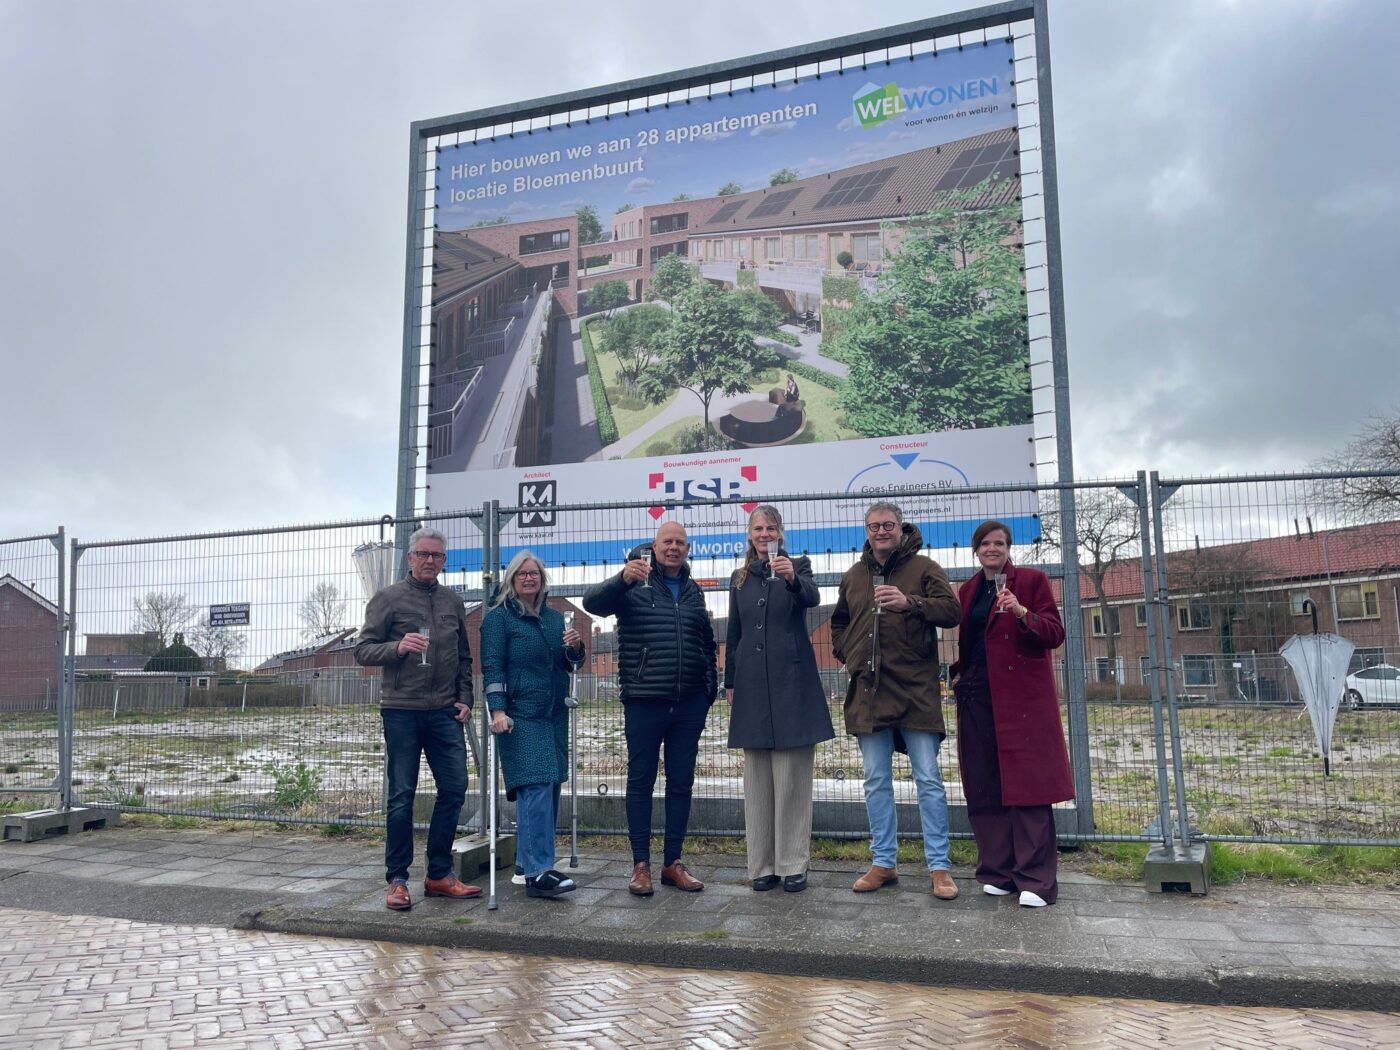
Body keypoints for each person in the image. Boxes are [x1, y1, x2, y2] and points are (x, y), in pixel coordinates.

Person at [830, 502, 961, 900]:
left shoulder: (925, 568)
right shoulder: (853, 576)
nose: (881, 531)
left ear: (900, 528)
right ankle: (884, 862)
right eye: (874, 526)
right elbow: (838, 622)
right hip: (869, 691)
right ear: (866, 530)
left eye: (888, 525)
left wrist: (911, 604)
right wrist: (848, 653)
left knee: (928, 779)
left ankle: (939, 867)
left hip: (916, 690)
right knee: (875, 781)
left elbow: (951, 611)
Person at [583, 521, 718, 896]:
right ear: (654, 547)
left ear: (688, 549)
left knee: (681, 783)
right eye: (667, 542)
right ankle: (640, 865)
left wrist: (709, 689)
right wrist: (621, 578)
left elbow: (707, 642)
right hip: (644, 700)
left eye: (680, 542)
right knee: (640, 782)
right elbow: (591, 604)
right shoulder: (633, 585)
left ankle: (672, 863)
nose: (673, 548)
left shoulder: (693, 591)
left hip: (689, 703)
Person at [354, 526, 480, 911]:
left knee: (455, 789)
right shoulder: (387, 599)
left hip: (445, 712)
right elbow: (362, 650)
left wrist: (465, 698)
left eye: (436, 556)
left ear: (444, 561)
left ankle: (440, 874)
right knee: (401, 795)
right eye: (423, 554)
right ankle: (397, 879)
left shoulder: (452, 602)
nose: (429, 561)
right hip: (401, 710)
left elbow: (463, 658)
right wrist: (397, 646)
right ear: (409, 558)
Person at [949, 520, 1073, 908]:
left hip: (1022, 702)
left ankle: (1036, 880)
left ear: (1008, 548)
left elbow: (1054, 633)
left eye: (999, 543)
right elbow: (967, 643)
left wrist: (1021, 612)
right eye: (985, 543)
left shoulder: (1032, 582)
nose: (992, 549)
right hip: (978, 698)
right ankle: (998, 871)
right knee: (984, 783)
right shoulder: (968, 589)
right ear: (976, 550)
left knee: (1028, 787)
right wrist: (959, 677)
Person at [724, 506, 834, 893]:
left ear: (781, 533)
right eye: (758, 528)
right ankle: (763, 866)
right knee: (756, 782)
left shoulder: (798, 566)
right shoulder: (739, 578)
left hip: (792, 686)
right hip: (751, 688)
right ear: (749, 534)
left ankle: (793, 863)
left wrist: (790, 579)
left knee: (791, 780)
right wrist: (730, 681)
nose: (764, 533)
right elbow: (734, 634)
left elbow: (812, 599)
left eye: (771, 528)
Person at [480, 551, 586, 899]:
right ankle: (540, 872)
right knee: (536, 784)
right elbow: (493, 667)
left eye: (535, 574)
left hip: (553, 714)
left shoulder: (554, 620)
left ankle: (528, 862)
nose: (529, 579)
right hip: (518, 716)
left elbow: (566, 664)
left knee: (550, 785)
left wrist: (576, 649)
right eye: (522, 574)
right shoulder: (499, 620)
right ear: (511, 580)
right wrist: (497, 711)